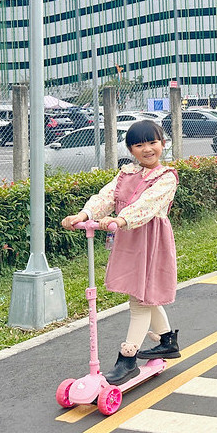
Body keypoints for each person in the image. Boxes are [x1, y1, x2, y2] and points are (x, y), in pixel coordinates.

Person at [61, 120, 181, 385]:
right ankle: (167, 340)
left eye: (153, 142)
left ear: (163, 144)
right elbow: (106, 196)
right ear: (130, 149)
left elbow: (147, 205)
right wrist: (84, 215)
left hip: (151, 241)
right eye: (139, 145)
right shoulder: (126, 173)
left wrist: (121, 219)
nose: (147, 149)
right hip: (128, 239)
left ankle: (127, 359)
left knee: (140, 299)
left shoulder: (167, 177)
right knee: (142, 293)